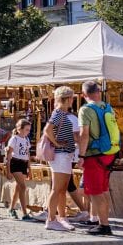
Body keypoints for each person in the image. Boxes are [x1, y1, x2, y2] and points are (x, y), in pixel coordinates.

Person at [76, 80, 119, 236]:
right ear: (99, 92)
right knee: (103, 190)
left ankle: (104, 225)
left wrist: (80, 155)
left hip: (94, 154)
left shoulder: (85, 110)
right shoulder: (108, 107)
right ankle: (103, 222)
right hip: (109, 153)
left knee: (95, 192)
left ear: (84, 95)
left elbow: (84, 134)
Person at [43, 86, 79, 232]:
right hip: (60, 154)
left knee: (62, 189)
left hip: (65, 154)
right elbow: (47, 130)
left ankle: (61, 218)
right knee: (57, 189)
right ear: (68, 98)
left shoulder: (61, 113)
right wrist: (56, 143)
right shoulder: (58, 113)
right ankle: (51, 219)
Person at [3, 119, 33, 220]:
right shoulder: (14, 139)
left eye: (29, 130)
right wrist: (8, 170)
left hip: (23, 164)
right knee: (23, 186)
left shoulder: (27, 140)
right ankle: (24, 213)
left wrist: (29, 168)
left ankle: (11, 208)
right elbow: (9, 155)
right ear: (19, 129)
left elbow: (27, 154)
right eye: (26, 130)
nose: (28, 132)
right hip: (15, 163)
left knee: (18, 187)